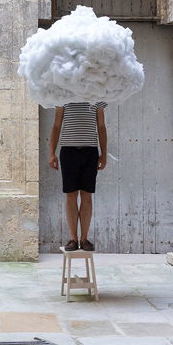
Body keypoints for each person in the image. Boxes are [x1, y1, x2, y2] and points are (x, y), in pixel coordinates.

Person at [48, 102, 107, 251]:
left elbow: (101, 126)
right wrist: (51, 153)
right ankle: (73, 239)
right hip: (68, 152)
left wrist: (104, 153)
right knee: (71, 195)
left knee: (86, 195)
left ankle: (84, 239)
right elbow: (56, 125)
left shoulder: (96, 95)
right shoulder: (63, 96)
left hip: (90, 152)